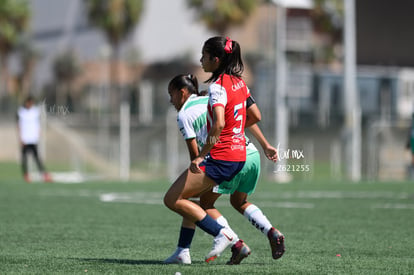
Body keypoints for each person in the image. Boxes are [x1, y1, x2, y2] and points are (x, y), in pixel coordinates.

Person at [164, 74, 284, 265]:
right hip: (250, 154)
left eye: (171, 94)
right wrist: (266, 145)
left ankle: (233, 241)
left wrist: (199, 163)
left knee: (199, 204)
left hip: (227, 159)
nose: (170, 100)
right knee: (239, 201)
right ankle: (270, 231)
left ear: (182, 92)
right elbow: (247, 119)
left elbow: (195, 157)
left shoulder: (184, 114)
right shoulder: (214, 98)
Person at [163, 36, 251, 263]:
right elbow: (254, 116)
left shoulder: (216, 88)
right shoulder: (237, 83)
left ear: (216, 59)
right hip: (241, 153)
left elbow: (218, 126)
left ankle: (224, 235)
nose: (200, 60)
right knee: (190, 200)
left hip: (221, 157)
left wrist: (201, 157)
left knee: (172, 199)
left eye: (204, 56)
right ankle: (183, 251)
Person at [17, 96, 52, 183]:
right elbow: (19, 125)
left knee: (37, 158)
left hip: (33, 139)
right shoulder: (21, 112)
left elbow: (38, 123)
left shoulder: (35, 112)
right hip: (25, 139)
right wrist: (20, 137)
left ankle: (44, 175)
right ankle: (26, 175)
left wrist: (38, 133)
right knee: (24, 158)